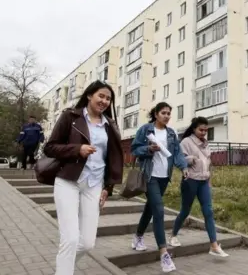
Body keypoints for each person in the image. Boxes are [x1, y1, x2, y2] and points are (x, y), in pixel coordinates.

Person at [44, 80, 124, 275]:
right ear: (89, 95)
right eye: (101, 96)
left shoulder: (110, 125)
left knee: (87, 243)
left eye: (108, 98)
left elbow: (114, 159)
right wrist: (77, 149)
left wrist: (108, 188)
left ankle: (63, 268)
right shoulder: (70, 117)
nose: (104, 101)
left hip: (94, 185)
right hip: (68, 182)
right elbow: (50, 147)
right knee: (70, 239)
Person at [131, 102, 189, 273]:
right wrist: (148, 148)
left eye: (169, 113)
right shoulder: (146, 130)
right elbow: (134, 149)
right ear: (156, 114)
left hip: (165, 177)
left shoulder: (171, 133)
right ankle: (164, 254)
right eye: (163, 112)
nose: (167, 116)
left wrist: (183, 167)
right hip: (149, 176)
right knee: (159, 210)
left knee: (150, 209)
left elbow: (177, 153)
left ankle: (138, 237)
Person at [169, 117, 229, 258]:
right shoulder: (186, 142)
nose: (203, 132)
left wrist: (209, 179)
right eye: (201, 130)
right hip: (190, 181)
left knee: (208, 212)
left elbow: (208, 163)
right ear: (194, 129)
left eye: (206, 130)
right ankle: (173, 235)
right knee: (185, 211)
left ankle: (214, 246)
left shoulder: (205, 143)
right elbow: (179, 160)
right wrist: (190, 159)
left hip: (203, 182)